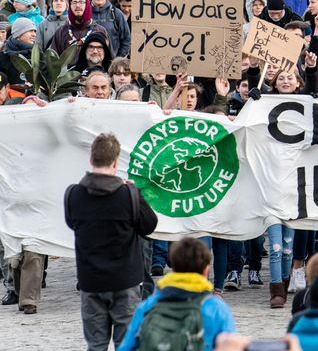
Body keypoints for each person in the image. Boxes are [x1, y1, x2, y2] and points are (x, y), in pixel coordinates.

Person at [65, 133, 158, 349]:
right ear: (116, 162)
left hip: (91, 280)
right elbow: (149, 226)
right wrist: (136, 194)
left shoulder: (73, 194)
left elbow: (72, 223)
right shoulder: (129, 194)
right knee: (127, 344)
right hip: (125, 281)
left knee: (95, 344)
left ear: (91, 160)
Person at [118, 237, 236, 351]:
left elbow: (127, 347)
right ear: (206, 271)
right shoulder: (216, 308)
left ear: (173, 267)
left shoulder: (148, 306)